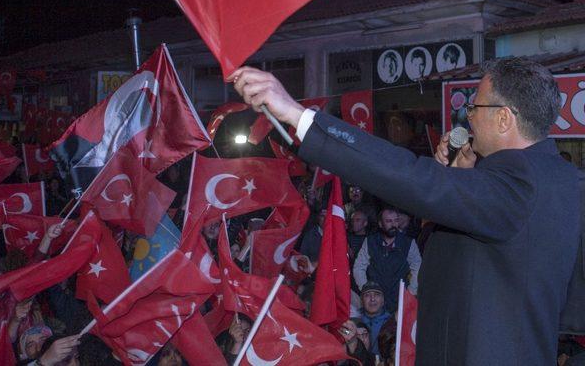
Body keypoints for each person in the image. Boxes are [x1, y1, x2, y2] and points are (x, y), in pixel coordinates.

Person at [231, 57, 580, 365]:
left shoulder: (517, 183)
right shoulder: (565, 181)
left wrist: (295, 114)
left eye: (475, 108)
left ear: (504, 119)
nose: (468, 118)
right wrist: (459, 179)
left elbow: (411, 177)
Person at [352, 206, 421, 311]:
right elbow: (358, 267)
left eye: (396, 220)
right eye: (389, 221)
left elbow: (417, 269)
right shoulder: (371, 241)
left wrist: (410, 295)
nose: (393, 224)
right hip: (375, 304)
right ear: (380, 224)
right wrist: (367, 291)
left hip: (399, 302)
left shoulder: (408, 243)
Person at [357, 281, 393, 358]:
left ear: (383, 300)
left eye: (377, 294)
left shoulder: (392, 324)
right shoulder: (355, 323)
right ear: (362, 301)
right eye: (367, 295)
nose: (372, 299)